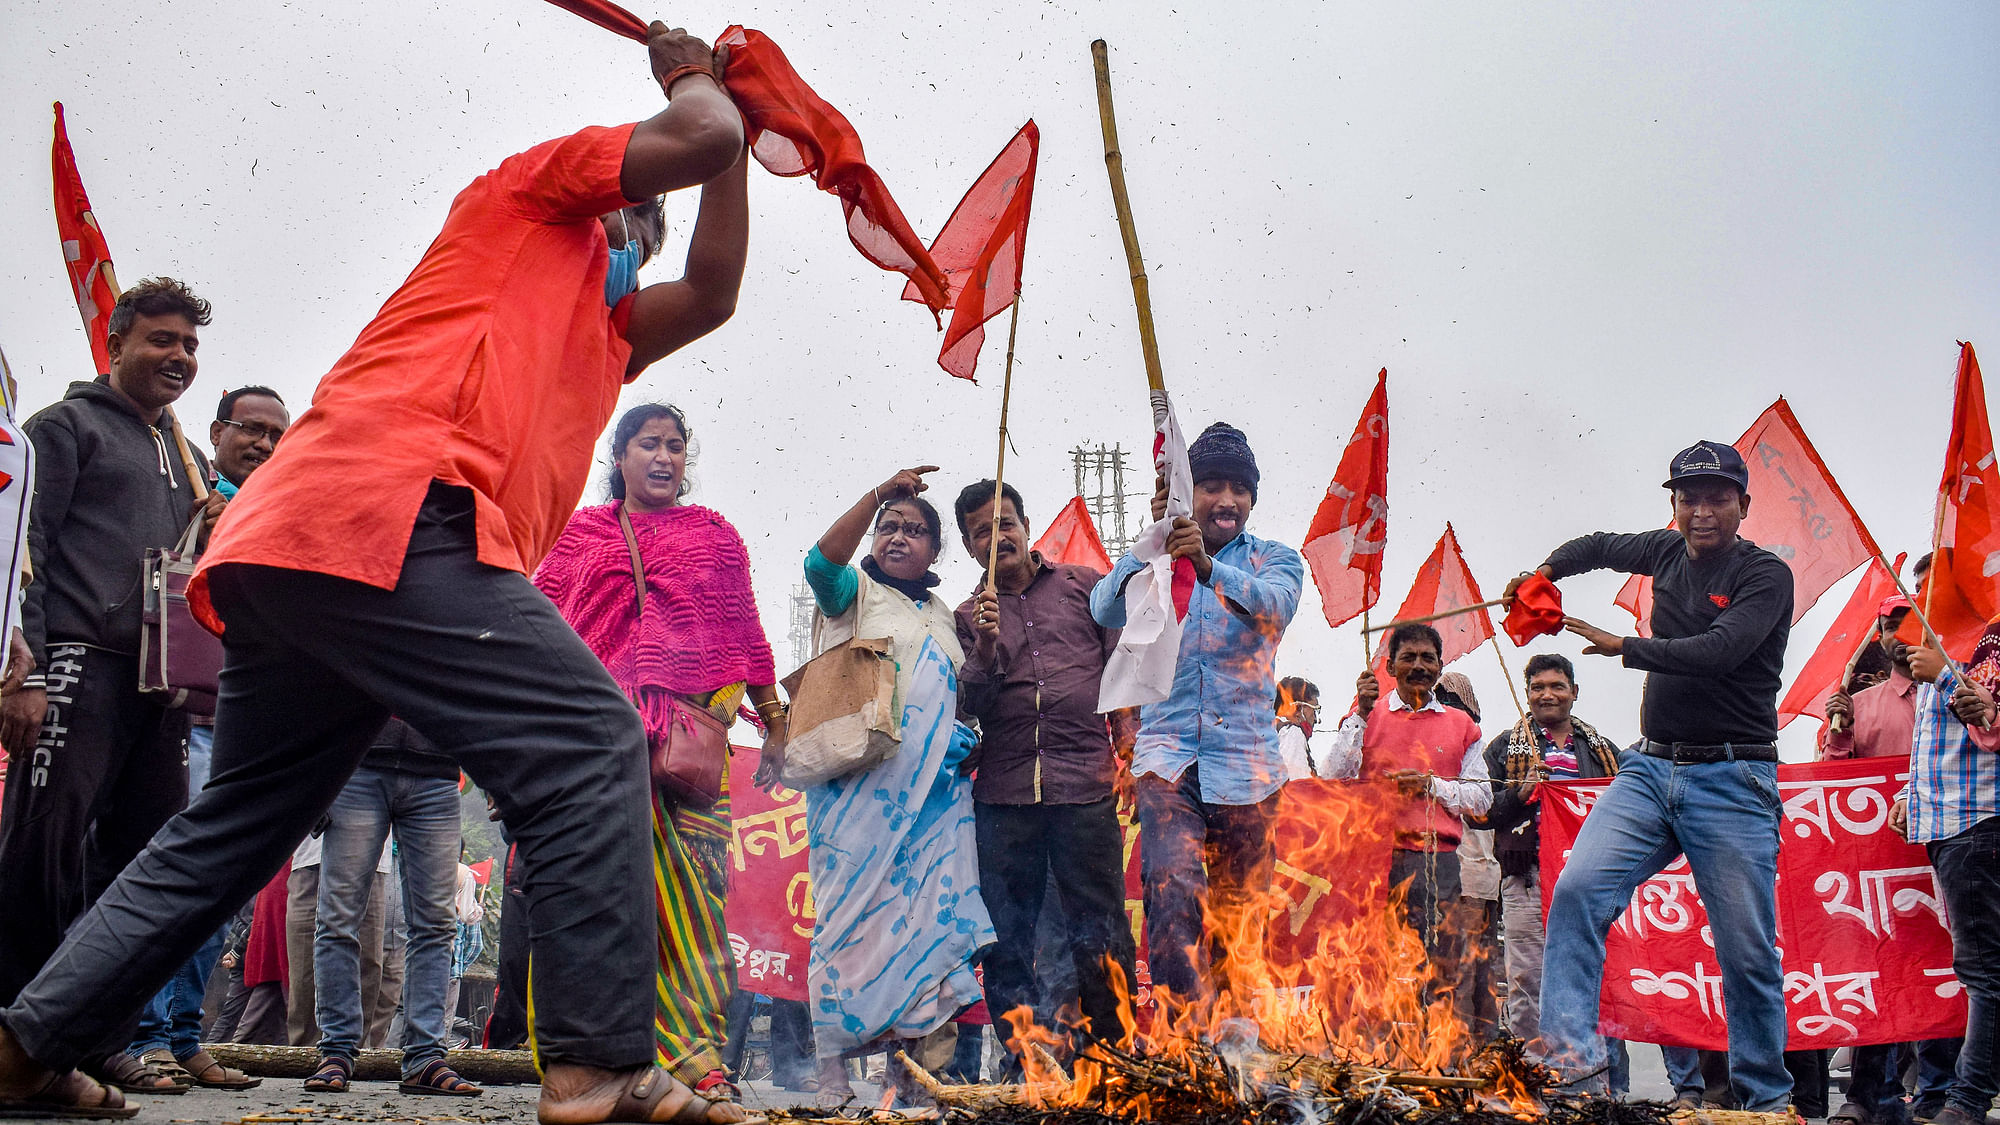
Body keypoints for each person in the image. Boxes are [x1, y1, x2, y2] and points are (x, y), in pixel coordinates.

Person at [0, 23, 752, 1123]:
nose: (643, 226)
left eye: (655, 220)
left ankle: (27, 1043)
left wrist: (737, 137)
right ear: (609, 184)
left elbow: (719, 284)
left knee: (239, 821)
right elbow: (695, 133)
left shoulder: (607, 336)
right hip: (391, 514)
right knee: (591, 736)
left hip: (300, 552)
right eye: (637, 202)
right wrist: (698, 83)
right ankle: (598, 1061)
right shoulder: (526, 198)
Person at [1507, 440, 1794, 1111]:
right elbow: (1598, 545)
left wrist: (1623, 646)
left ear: (1742, 505)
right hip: (1649, 767)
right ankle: (1572, 1079)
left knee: (1746, 950)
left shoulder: (1766, 575)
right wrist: (1541, 573)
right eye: (1688, 497)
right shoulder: (1664, 551)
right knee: (1575, 893)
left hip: (1734, 777)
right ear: (1673, 504)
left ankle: (1766, 1101)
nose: (1701, 510)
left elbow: (1721, 651)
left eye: (1717, 496)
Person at [0, 279, 219, 1097]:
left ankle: (96, 1040)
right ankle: (19, 1035)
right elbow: (26, 549)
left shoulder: (186, 454)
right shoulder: (62, 429)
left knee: (144, 867)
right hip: (73, 669)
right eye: (162, 340)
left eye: (190, 345)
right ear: (115, 344)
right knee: (42, 856)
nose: (179, 357)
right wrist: (23, 672)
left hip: (156, 689)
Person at [534, 403, 786, 1112]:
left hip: (692, 754)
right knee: (607, 903)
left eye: (676, 446)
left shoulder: (714, 536)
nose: (665, 457)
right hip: (599, 752)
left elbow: (745, 633)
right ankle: (605, 1061)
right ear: (619, 455)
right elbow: (546, 631)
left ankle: (700, 1059)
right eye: (650, 443)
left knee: (698, 908)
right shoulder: (579, 536)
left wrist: (773, 718)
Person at [1090, 422, 1304, 1021]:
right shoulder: (1158, 555)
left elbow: (1275, 607)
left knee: (1239, 918)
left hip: (1252, 769)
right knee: (1173, 890)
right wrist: (1153, 542)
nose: (1226, 499)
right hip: (1167, 761)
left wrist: (1204, 565)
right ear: (1191, 495)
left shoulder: (1276, 559)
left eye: (1239, 487)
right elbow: (1102, 607)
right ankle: (1187, 1042)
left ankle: (1234, 1042)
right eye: (1211, 485)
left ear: (1253, 500)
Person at [799, 467, 992, 1101]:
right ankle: (830, 1075)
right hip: (857, 799)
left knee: (923, 930)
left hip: (933, 805)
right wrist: (878, 492)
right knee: (847, 925)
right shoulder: (852, 592)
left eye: (915, 530)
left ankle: (901, 1080)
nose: (899, 537)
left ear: (937, 551)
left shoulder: (943, 614)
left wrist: (961, 735)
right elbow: (817, 565)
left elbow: (954, 697)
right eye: (889, 527)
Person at [128, 387, 290, 1093]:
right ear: (218, 430)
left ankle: (186, 1032)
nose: (262, 443)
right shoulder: (183, 490)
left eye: (276, 434)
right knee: (172, 872)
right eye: (249, 428)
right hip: (181, 715)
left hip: (246, 717)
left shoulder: (280, 510)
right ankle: (145, 1034)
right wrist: (204, 525)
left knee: (222, 886)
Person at [952, 480, 1137, 1064]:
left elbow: (1122, 673)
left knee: (1100, 928)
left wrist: (1129, 753)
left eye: (1004, 522)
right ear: (967, 545)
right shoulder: (966, 614)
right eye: (981, 531)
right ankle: (1027, 1061)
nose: (996, 537)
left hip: (1085, 786)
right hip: (1004, 797)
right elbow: (969, 709)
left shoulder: (1087, 588)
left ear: (1026, 525)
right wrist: (983, 646)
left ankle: (1114, 1056)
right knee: (1008, 936)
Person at [1826, 557, 1962, 1125]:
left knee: (1946, 974)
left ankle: (1937, 1096)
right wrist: (1836, 738)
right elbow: (1833, 789)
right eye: (1890, 627)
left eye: (1911, 624)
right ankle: (1868, 1098)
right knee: (1881, 975)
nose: (1900, 637)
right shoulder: (1857, 708)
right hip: (1881, 873)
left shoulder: (1958, 691)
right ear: (1879, 639)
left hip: (1950, 858)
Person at [303, 719, 470, 1096]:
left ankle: (425, 1056)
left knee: (437, 925)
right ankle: (337, 1051)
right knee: (338, 918)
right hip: (357, 763)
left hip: (438, 771)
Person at [1322, 626, 1490, 990]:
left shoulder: (1463, 726)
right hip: (1371, 859)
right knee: (1368, 961)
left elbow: (1482, 797)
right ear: (1390, 667)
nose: (1418, 665)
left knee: (1437, 967)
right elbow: (1332, 777)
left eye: (1427, 658)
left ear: (1440, 666)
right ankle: (1372, 1045)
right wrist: (1361, 716)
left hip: (1437, 861)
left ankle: (1431, 1042)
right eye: (1408, 657)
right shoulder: (1367, 717)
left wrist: (1432, 786)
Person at [1474, 653, 1620, 1051]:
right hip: (1528, 878)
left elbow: (1630, 805)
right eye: (1537, 687)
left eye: (1557, 686)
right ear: (1526, 694)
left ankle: (1600, 1078)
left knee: (1597, 976)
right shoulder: (1505, 747)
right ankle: (1534, 1077)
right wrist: (1519, 794)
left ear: (1574, 692)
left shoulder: (1603, 750)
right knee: (1527, 978)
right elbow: (1477, 810)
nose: (1547, 695)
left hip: (1590, 882)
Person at [1896, 631, 2000, 1125]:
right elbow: (1940, 750)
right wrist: (1908, 799)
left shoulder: (1984, 655)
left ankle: (1968, 1101)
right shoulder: (1954, 657)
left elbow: (1986, 724)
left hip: (1979, 820)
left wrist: (1943, 673)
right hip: (1948, 827)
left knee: (1986, 971)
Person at [1275, 677, 1325, 781]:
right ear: (1298, 709)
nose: (1316, 720)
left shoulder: (1274, 735)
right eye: (1314, 710)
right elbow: (1299, 787)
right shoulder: (1293, 734)